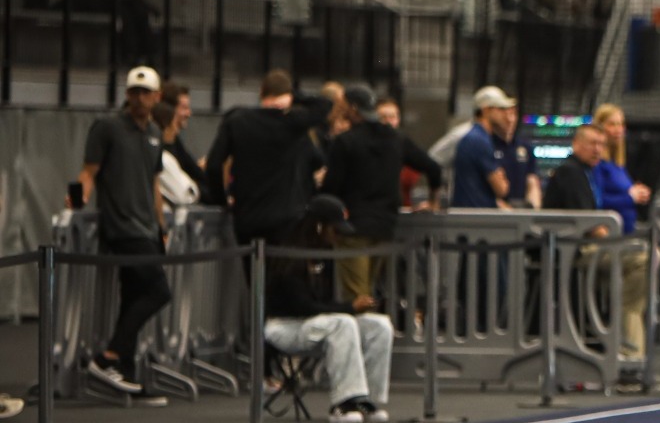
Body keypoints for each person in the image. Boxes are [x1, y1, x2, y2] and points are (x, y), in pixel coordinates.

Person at [77, 66, 170, 404]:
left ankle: (125, 374)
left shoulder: (155, 133)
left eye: (146, 93)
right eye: (134, 92)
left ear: (157, 97)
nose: (139, 98)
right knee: (159, 291)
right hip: (122, 227)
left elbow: (154, 183)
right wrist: (76, 202)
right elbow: (89, 172)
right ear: (127, 95)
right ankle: (109, 356)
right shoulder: (107, 127)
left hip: (147, 228)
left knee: (134, 296)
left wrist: (161, 226)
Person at [264, 195, 394, 423]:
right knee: (343, 323)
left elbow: (323, 304)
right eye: (335, 230)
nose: (339, 236)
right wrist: (349, 307)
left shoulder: (324, 254)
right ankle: (342, 403)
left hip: (316, 322)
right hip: (285, 326)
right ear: (319, 226)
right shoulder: (291, 255)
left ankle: (365, 399)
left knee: (379, 325)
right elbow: (302, 306)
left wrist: (348, 309)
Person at [322, 85, 442, 305]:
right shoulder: (396, 138)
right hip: (386, 225)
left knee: (357, 298)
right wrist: (434, 201)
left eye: (343, 105)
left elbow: (332, 187)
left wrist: (327, 221)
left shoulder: (345, 141)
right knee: (371, 290)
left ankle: (363, 327)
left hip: (353, 227)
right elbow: (434, 168)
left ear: (353, 108)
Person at [546, 121, 650, 373]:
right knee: (640, 258)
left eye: (601, 145)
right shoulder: (570, 172)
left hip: (590, 247)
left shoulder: (589, 173)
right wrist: (615, 241)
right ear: (576, 144)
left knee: (640, 259)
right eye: (592, 143)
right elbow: (589, 223)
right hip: (574, 250)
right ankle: (626, 337)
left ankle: (625, 329)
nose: (597, 149)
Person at [203, 69, 333, 246]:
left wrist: (220, 200)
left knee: (250, 262)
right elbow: (325, 105)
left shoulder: (237, 120)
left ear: (261, 93)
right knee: (280, 263)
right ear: (288, 96)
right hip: (285, 218)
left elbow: (213, 165)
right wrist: (295, 95)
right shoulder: (292, 122)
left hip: (247, 216)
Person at [589, 105, 652, 364]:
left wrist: (635, 194)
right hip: (604, 242)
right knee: (642, 265)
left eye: (621, 124)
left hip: (625, 237)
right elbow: (598, 200)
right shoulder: (597, 164)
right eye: (612, 124)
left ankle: (632, 348)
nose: (618, 130)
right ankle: (626, 346)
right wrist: (629, 196)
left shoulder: (618, 164)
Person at [450, 86, 514, 210]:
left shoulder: (478, 137)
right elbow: (502, 189)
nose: (505, 114)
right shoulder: (479, 140)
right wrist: (501, 177)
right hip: (475, 216)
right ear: (486, 110)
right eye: (501, 109)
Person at [151, 99, 199, 212]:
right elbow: (187, 196)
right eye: (175, 125)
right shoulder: (164, 159)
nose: (176, 131)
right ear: (166, 128)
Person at [495, 102, 541, 211]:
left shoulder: (525, 147)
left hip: (521, 210)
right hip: (495, 211)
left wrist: (534, 211)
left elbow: (532, 182)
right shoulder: (487, 145)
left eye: (513, 114)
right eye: (505, 115)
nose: (510, 120)